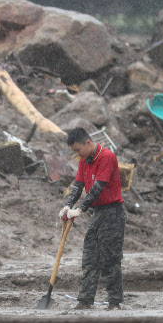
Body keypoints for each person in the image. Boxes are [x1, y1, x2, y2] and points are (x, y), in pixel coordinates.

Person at [59, 128, 126, 310]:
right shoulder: (84, 160)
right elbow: (78, 185)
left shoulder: (107, 157)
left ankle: (114, 302)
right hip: (97, 213)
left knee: (110, 259)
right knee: (90, 258)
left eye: (78, 150)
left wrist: (80, 209)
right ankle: (85, 300)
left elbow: (98, 187)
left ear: (88, 142)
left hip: (112, 213)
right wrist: (68, 205)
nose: (77, 154)